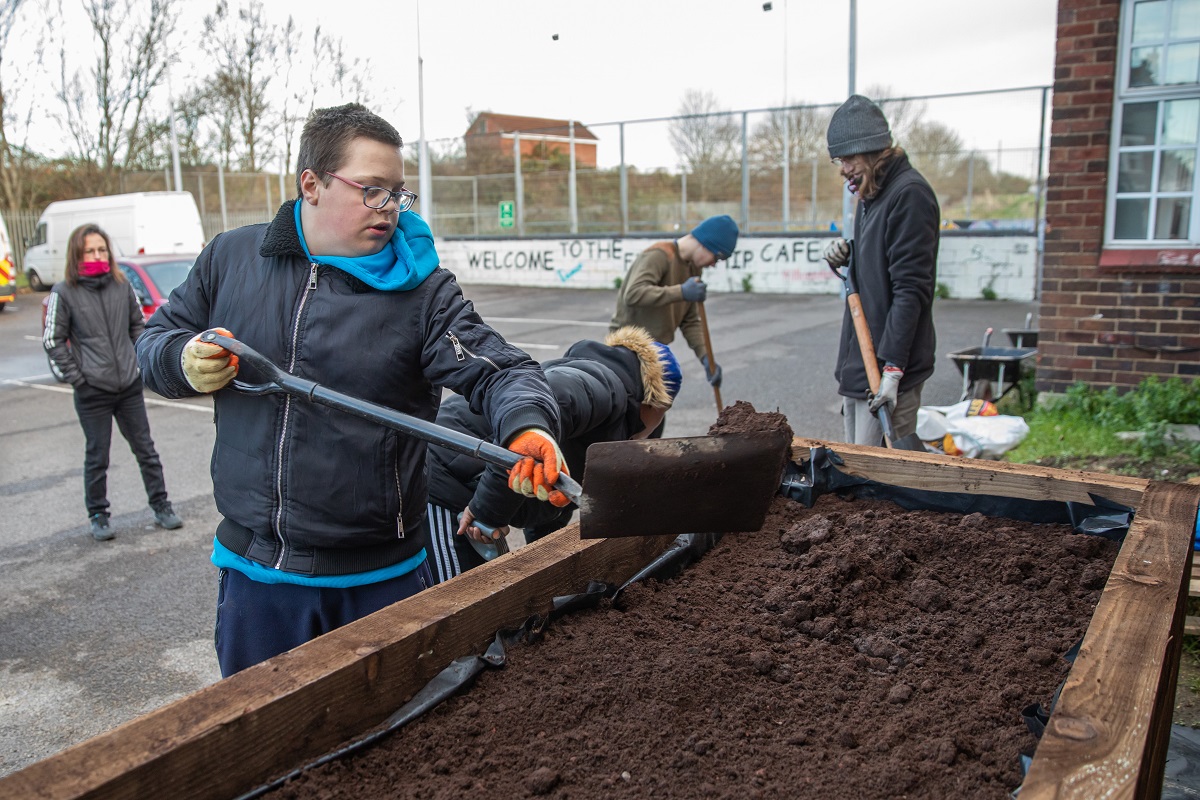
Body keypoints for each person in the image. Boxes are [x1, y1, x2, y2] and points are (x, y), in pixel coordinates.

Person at [135, 103, 567, 677]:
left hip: (380, 583)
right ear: (311, 184)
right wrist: (181, 360)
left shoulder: (425, 294)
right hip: (257, 580)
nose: (388, 208)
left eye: (398, 193)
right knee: (262, 757)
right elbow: (155, 339)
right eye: (372, 190)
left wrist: (529, 424)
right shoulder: (230, 258)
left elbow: (503, 370)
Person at [424, 325, 682, 583]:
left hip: (476, 479)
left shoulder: (614, 415)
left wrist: (548, 559)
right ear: (655, 399)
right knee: (462, 600)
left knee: (491, 590)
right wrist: (488, 511)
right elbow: (537, 419)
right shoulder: (603, 384)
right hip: (448, 470)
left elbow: (552, 487)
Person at [42, 224, 183, 542]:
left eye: (101, 250)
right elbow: (53, 340)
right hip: (92, 390)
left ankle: (162, 507)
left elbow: (139, 328)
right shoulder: (63, 292)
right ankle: (98, 515)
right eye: (89, 251)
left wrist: (142, 364)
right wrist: (79, 379)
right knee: (97, 455)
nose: (97, 256)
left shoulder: (122, 287)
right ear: (77, 255)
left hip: (129, 386)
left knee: (146, 450)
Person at [822, 94, 939, 447]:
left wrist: (892, 371)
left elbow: (910, 288)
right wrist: (849, 255)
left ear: (873, 150)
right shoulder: (871, 195)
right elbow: (883, 260)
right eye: (839, 160)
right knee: (856, 469)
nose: (843, 169)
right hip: (861, 358)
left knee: (886, 483)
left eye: (848, 158)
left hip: (888, 365)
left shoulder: (910, 195)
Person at [609, 214, 737, 395]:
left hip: (655, 353)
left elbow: (690, 320)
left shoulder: (693, 268)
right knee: (629, 416)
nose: (713, 265)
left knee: (655, 417)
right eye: (716, 258)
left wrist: (705, 357)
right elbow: (633, 293)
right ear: (705, 244)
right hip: (627, 351)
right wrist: (681, 291)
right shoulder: (660, 255)